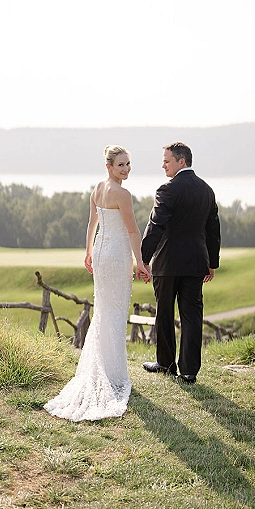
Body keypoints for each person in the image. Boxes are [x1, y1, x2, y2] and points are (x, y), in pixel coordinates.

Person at [43, 145, 151, 422]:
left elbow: (92, 223)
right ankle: (114, 374)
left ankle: (108, 368)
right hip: (115, 255)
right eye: (121, 165)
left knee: (105, 310)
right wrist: (140, 261)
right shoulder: (123, 194)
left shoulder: (97, 189)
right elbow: (132, 230)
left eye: (128, 164)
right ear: (109, 166)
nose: (126, 169)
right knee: (113, 312)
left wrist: (88, 252)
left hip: (102, 254)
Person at [139, 142, 221, 383]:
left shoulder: (167, 190)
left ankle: (165, 364)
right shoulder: (207, 190)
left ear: (181, 161)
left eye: (167, 160)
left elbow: (155, 226)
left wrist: (143, 259)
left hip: (167, 263)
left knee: (164, 313)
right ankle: (189, 371)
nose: (163, 164)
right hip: (197, 263)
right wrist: (211, 262)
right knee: (192, 316)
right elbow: (213, 230)